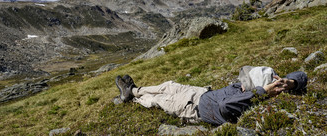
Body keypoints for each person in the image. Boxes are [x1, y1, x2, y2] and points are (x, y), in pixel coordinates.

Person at [115, 66, 307, 125]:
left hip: (191, 108)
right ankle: (134, 89)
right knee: (168, 85)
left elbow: (225, 107)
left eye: (246, 82)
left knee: (157, 100)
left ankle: (131, 94)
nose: (242, 82)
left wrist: (262, 92)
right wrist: (290, 83)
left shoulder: (249, 101)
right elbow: (303, 76)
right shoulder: (251, 89)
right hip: (199, 92)